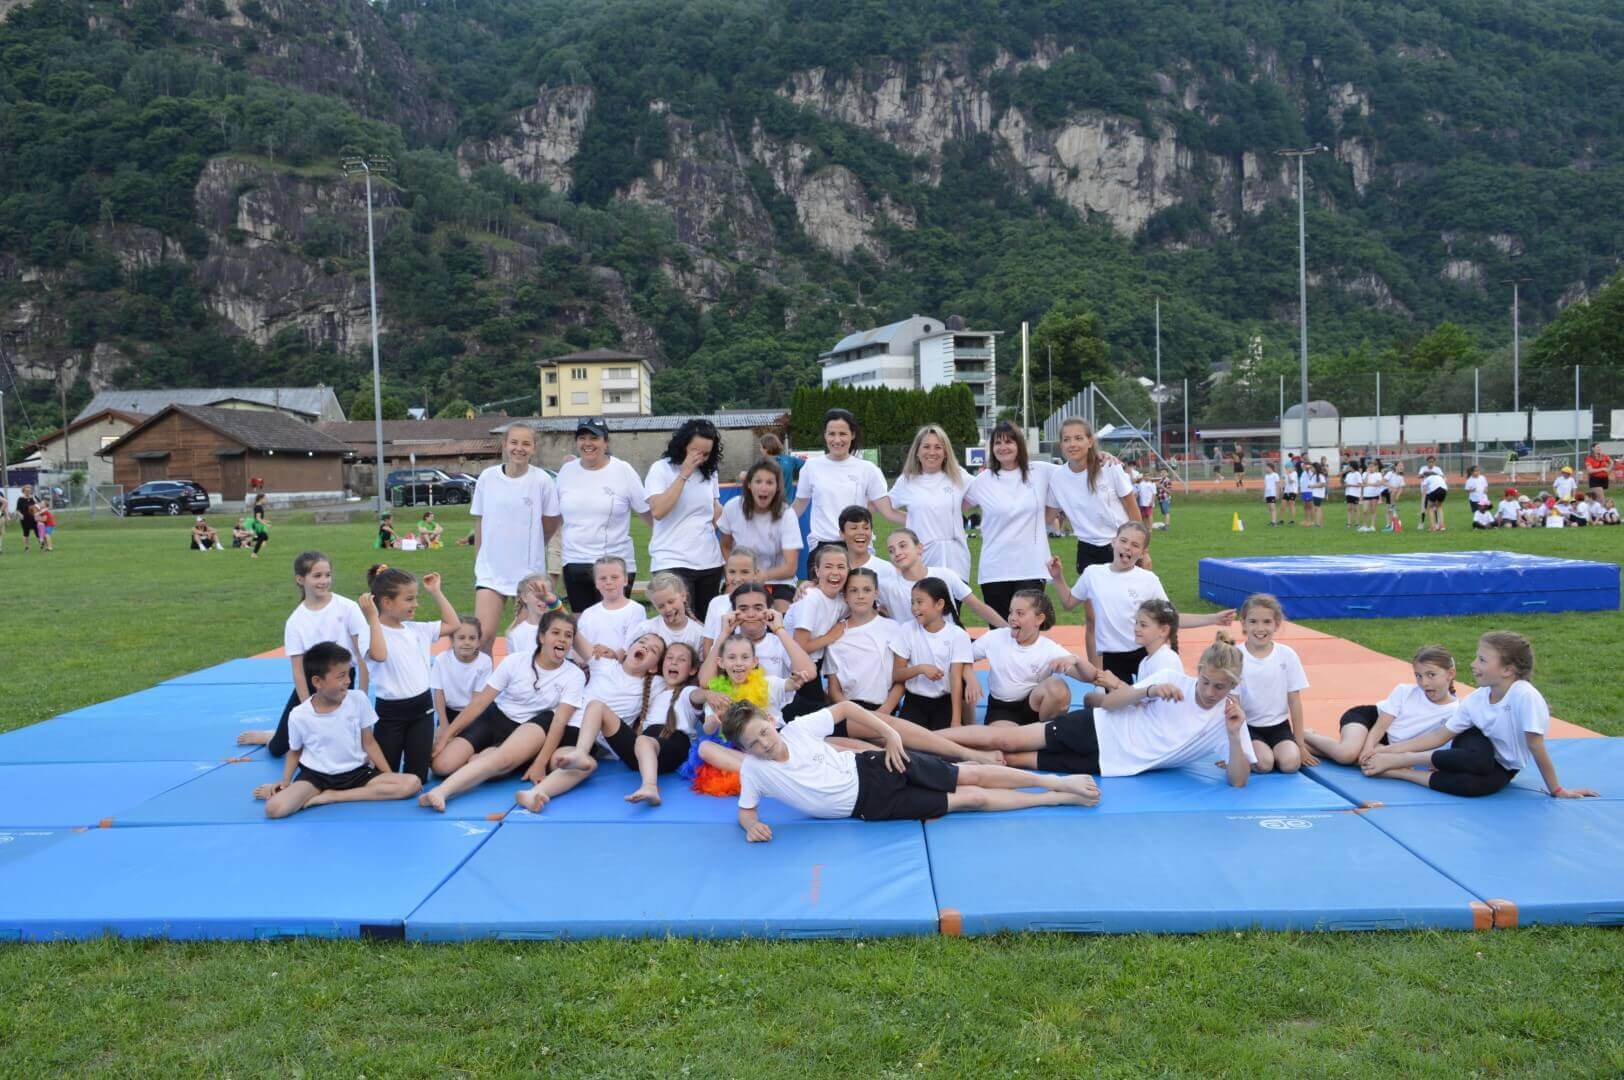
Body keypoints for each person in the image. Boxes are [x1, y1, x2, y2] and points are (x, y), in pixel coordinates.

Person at [725, 700, 1100, 839]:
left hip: (876, 767)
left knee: (967, 774)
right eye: (752, 744)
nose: (763, 744)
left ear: (771, 721)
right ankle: (1051, 798)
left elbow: (847, 709)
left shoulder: (798, 729)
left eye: (763, 733)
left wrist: (890, 734)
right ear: (744, 749)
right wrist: (751, 826)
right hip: (873, 806)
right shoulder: (755, 771)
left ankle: (1052, 781)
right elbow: (746, 810)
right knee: (969, 798)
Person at [939, 634, 1257, 788]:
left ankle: (939, 761)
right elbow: (1111, 703)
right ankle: (928, 739)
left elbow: (1238, 780)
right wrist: (1147, 691)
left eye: (1219, 687)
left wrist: (1233, 736)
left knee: (1009, 760)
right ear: (1198, 671)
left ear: (1233, 686)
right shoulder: (1172, 680)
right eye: (1205, 682)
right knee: (1006, 740)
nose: (1209, 692)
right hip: (1096, 727)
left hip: (1109, 764)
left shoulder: (1230, 717)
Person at [1362, 632, 1600, 799]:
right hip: (1475, 746)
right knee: (1478, 759)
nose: (1473, 664)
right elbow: (1439, 736)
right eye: (1477, 657)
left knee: (1474, 787)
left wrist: (1557, 790)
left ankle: (1402, 772)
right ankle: (1402, 761)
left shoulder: (1524, 696)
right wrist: (1390, 751)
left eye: (1482, 660)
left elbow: (1536, 747)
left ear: (1507, 670)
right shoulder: (1476, 699)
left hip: (1504, 765)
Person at [421, 610, 587, 808]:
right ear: (542, 637)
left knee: (494, 763)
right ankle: (491, 759)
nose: (562, 639)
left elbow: (559, 722)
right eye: (556, 633)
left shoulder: (574, 675)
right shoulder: (515, 661)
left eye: (568, 635)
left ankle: (442, 791)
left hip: (530, 727)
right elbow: (479, 703)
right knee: (442, 766)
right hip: (496, 717)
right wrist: (446, 736)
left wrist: (541, 762)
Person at [1050, 521, 1230, 685]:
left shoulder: (1148, 580)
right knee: (1120, 704)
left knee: (1151, 701)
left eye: (1135, 545)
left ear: (1143, 553)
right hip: (1111, 658)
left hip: (1145, 652)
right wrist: (1058, 577)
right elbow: (1068, 602)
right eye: (1123, 541)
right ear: (1113, 542)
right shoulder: (1093, 574)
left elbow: (1172, 618)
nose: (1128, 547)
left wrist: (1213, 618)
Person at [253, 642, 421, 817]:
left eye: (348, 673)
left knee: (412, 783)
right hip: (316, 777)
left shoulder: (358, 700)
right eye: (341, 676)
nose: (348, 680)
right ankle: (320, 792)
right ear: (317, 682)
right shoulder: (299, 714)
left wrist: (388, 775)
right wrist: (286, 782)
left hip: (357, 773)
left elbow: (369, 743)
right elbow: (295, 752)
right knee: (274, 809)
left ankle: (334, 796)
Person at [238, 551, 368, 753]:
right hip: (312, 682)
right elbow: (298, 671)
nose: (324, 581)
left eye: (327, 575)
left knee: (340, 742)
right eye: (317, 576)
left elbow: (361, 657)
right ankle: (271, 736)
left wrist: (362, 697)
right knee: (279, 748)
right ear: (300, 579)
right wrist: (308, 710)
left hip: (343, 680)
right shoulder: (296, 621)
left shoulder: (347, 608)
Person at [553, 638, 704, 808]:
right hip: (640, 753)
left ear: (692, 670)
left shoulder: (687, 691)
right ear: (660, 666)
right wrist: (615, 655)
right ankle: (579, 754)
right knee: (596, 706)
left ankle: (650, 787)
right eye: (669, 658)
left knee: (644, 741)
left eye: (681, 660)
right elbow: (636, 666)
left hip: (673, 742)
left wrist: (708, 694)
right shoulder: (655, 684)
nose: (674, 662)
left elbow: (698, 695)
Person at [358, 566, 462, 782]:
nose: (415, 604)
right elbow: (380, 654)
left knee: (418, 778)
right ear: (387, 603)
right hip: (391, 714)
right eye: (409, 599)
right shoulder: (369, 633)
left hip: (422, 711)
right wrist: (373, 617)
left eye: (415, 598)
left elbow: (454, 624)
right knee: (386, 777)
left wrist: (436, 592)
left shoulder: (417, 629)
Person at [471, 421, 562, 655]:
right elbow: (480, 522)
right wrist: (480, 560)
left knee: (526, 641)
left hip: (529, 573)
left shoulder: (542, 481)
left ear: (534, 448)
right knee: (483, 637)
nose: (519, 448)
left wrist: (536, 545)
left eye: (526, 444)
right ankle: (484, 680)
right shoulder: (487, 478)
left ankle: (524, 680)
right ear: (504, 445)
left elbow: (551, 521)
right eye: (514, 442)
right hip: (491, 572)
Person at [555, 418, 651, 613]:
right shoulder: (566, 471)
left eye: (594, 438)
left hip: (614, 564)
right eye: (582, 438)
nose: (587, 443)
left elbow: (647, 513)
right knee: (582, 625)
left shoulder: (623, 471)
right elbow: (555, 516)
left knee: (613, 622)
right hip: (575, 562)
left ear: (606, 442)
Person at [1306, 645, 1458, 766]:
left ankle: (1307, 747)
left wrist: (1382, 752)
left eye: (1431, 675)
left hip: (1391, 744)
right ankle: (1304, 735)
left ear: (1450, 674)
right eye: (1418, 676)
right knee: (1347, 754)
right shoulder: (1404, 691)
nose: (1424, 683)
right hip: (1368, 719)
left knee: (1370, 760)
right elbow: (1380, 726)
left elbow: (1432, 742)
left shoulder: (1456, 711)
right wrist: (1368, 748)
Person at [964, 421, 1055, 620]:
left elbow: (1075, 471)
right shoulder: (982, 481)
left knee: (1028, 627)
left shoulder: (1040, 471)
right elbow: (954, 507)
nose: (1003, 447)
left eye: (1009, 442)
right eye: (998, 443)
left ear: (1019, 444)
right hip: (995, 570)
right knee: (1000, 630)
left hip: (1031, 567)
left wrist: (1101, 457)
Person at [971, 590, 1090, 727]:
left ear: (1039, 619)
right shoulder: (995, 638)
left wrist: (1076, 659)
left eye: (1020, 613)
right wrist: (969, 676)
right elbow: (962, 657)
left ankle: (1045, 730)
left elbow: (1087, 677)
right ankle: (1025, 734)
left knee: (1058, 688)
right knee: (1006, 739)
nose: (1012, 618)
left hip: (1034, 707)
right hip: (1003, 710)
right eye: (1011, 612)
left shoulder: (1048, 648)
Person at [645, 418, 726, 609]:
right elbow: (658, 511)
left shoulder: (709, 473)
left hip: (709, 562)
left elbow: (715, 509)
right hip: (671, 561)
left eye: (706, 454)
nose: (700, 458)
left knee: (706, 623)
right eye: (695, 451)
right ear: (683, 446)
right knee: (679, 619)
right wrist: (684, 474)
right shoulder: (661, 469)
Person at [874, 425, 971, 579]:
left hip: (956, 562)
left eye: (938, 447)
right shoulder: (907, 480)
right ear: (917, 451)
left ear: (946, 452)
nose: (932, 452)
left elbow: (979, 496)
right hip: (922, 561)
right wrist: (913, 519)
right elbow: (887, 509)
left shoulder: (958, 475)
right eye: (926, 447)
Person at [1045, 417, 1140, 573]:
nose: (1072, 444)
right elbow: (1047, 517)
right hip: (1086, 549)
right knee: (1090, 590)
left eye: (1078, 438)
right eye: (1066, 439)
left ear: (1089, 441)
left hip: (1119, 545)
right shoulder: (1057, 478)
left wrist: (1142, 549)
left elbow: (1132, 508)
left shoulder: (1109, 467)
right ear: (1061, 445)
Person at [1234, 593, 1313, 773]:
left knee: (1291, 764)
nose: (1260, 628)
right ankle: (1261, 751)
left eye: (1267, 622)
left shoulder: (1287, 655)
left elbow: (1294, 700)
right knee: (1264, 764)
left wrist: (1300, 744)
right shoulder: (1236, 656)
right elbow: (1232, 705)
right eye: (1253, 621)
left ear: (1276, 624)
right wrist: (1234, 748)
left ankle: (1304, 739)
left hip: (1279, 727)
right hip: (1249, 728)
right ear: (1243, 623)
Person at [792, 408, 888, 548]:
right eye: (831, 434)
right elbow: (799, 505)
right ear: (825, 435)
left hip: (859, 547)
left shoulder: (868, 469)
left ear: (852, 434)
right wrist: (772, 526)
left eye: (842, 434)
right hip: (823, 548)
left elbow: (886, 509)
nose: (837, 440)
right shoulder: (811, 467)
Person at [888, 577, 973, 731]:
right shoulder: (907, 630)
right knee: (910, 741)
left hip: (945, 702)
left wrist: (955, 720)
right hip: (914, 702)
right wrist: (920, 669)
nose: (914, 608)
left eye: (919, 602)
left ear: (939, 604)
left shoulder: (958, 635)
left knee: (943, 742)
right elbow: (897, 674)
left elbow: (955, 678)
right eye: (912, 602)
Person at [718, 458, 802, 608]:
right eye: (758, 481)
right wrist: (734, 574)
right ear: (749, 484)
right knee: (728, 609)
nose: (764, 488)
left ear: (777, 487)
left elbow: (790, 567)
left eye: (769, 482)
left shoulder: (787, 514)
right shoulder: (732, 507)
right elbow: (725, 546)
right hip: (739, 578)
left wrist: (762, 575)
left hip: (777, 580)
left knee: (779, 614)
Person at [881, 528, 1005, 629]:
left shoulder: (944, 575)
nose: (897, 553)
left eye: (903, 546)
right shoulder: (887, 587)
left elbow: (977, 605)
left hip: (950, 647)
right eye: (891, 550)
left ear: (919, 548)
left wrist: (1007, 629)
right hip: (912, 650)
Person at [822, 568, 904, 715]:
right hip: (850, 710)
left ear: (876, 593)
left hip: (885, 709)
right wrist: (858, 715)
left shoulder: (893, 628)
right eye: (853, 590)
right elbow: (834, 690)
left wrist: (886, 709)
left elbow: (901, 678)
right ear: (845, 596)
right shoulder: (836, 634)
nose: (860, 596)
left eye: (867, 590)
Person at [784, 543, 849, 721]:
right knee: (819, 718)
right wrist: (831, 636)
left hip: (814, 666)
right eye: (828, 567)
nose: (835, 572)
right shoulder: (810, 599)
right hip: (796, 671)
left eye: (841, 567)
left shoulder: (839, 600)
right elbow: (799, 647)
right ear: (817, 571)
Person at [706, 582, 811, 681]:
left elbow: (809, 673)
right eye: (743, 609)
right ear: (733, 612)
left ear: (770, 610)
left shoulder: (780, 643)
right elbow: (705, 681)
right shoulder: (725, 643)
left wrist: (780, 630)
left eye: (758, 608)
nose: (751, 614)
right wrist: (724, 633)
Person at [572, 556, 649, 672]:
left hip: (622, 672)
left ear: (625, 580)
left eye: (614, 577)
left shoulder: (636, 610)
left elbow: (632, 646)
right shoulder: (588, 614)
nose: (608, 582)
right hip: (592, 672)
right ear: (596, 583)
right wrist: (586, 660)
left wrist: (612, 657)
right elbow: (577, 649)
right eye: (603, 578)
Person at [430, 616, 492, 738]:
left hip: (473, 713)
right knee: (439, 744)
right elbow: (438, 694)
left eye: (472, 638)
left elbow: (477, 701)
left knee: (465, 744)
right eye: (461, 638)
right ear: (452, 640)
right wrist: (444, 724)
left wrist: (458, 730)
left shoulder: (485, 662)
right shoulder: (441, 660)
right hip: (448, 713)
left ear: (479, 641)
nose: (467, 642)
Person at [633, 572, 707, 655]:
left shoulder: (699, 633)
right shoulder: (646, 629)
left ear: (683, 596)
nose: (668, 609)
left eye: (671, 602)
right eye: (661, 606)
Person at [1130, 598, 1186, 682]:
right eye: (1136, 623)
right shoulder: (1145, 661)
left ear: (1163, 630)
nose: (1136, 629)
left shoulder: (1165, 662)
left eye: (1143, 625)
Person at [1420, 459, 1447, 532]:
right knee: (1439, 506)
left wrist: (1424, 499)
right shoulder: (1439, 477)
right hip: (1444, 490)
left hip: (1435, 490)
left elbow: (1425, 490)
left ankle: (1433, 527)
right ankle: (1442, 526)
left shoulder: (1427, 478)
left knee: (1430, 508)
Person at [15, 483, 38, 552]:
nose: (28, 492)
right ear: (23, 491)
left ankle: (42, 544)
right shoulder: (20, 499)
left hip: (34, 518)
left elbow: (39, 506)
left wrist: (34, 500)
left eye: (29, 490)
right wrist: (20, 515)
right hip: (25, 519)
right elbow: (17, 510)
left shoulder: (33, 498)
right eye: (26, 491)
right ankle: (26, 547)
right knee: (26, 533)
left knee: (37, 531)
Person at [1383, 462, 1406, 532]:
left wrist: (1398, 495)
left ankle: (1392, 524)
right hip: (1387, 491)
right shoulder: (1390, 473)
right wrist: (1391, 487)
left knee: (1389, 509)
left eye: (1402, 466)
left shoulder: (1401, 477)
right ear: (1395, 467)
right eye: (1400, 465)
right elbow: (1383, 482)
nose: (1401, 467)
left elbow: (1401, 488)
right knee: (1389, 509)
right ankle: (1389, 524)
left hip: (1393, 493)